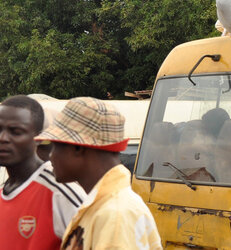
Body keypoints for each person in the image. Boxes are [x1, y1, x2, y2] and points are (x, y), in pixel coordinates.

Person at [35, 97, 162, 250]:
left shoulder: (115, 215)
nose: (51, 155)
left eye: (55, 146)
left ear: (78, 148)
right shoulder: (102, 206)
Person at [0, 95, 85, 249]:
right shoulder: (3, 194)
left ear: (38, 137)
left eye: (16, 132)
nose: (3, 138)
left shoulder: (61, 192)